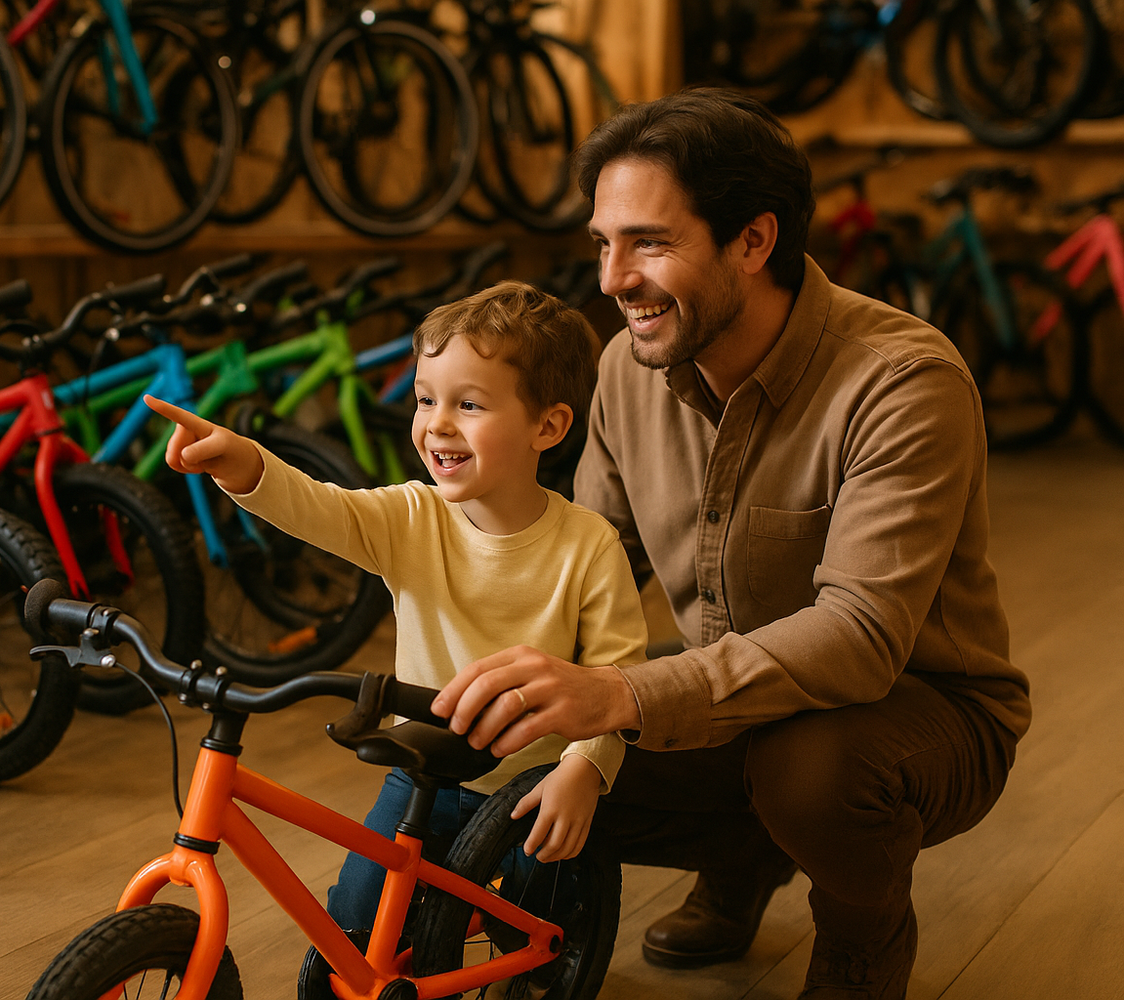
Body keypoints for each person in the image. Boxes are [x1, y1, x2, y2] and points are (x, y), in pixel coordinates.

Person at [430, 89, 1031, 1000]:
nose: (611, 279)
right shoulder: (625, 369)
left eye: (650, 243)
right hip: (737, 694)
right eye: (604, 242)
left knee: (810, 771)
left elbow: (861, 638)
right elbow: (592, 556)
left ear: (753, 241)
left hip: (921, 715)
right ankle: (747, 858)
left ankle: (863, 939)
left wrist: (621, 692)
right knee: (516, 749)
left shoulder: (904, 382)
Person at [143, 279, 648, 932]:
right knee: (355, 920)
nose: (436, 423)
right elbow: (318, 506)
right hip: (422, 772)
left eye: (468, 404)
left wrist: (585, 770)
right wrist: (244, 464)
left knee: (534, 925)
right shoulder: (412, 516)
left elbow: (618, 676)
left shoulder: (588, 546)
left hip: (536, 780)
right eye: (425, 399)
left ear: (546, 426)